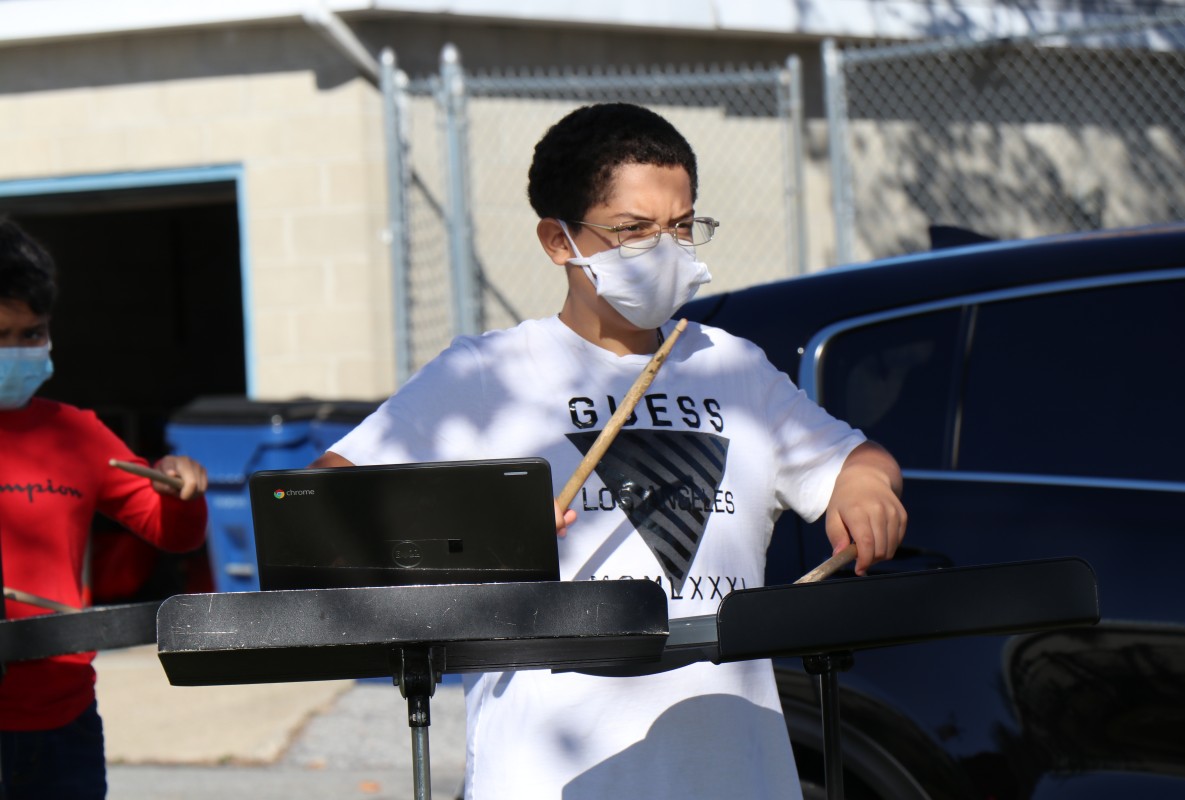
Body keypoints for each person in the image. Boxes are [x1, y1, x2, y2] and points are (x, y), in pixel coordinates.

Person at [311, 102, 907, 798]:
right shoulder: (487, 375)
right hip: (549, 777)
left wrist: (866, 486)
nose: (666, 249)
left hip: (734, 773)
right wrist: (477, 527)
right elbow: (325, 505)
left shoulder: (733, 367)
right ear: (559, 241)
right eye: (631, 231)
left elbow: (858, 460)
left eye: (682, 227)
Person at [0, 216, 209, 800]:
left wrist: (182, 491)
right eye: (0, 334)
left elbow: (171, 534)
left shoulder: (77, 434)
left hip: (62, 719)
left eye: (31, 334)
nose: (15, 350)